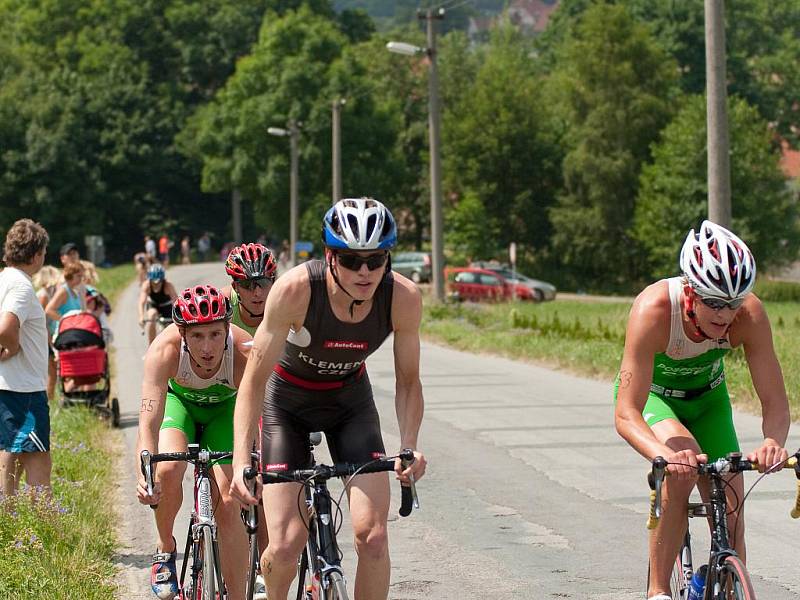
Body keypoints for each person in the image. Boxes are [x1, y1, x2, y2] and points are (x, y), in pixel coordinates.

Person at [230, 197, 427, 600]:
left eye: (376, 259)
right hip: (286, 405)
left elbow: (409, 381)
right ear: (329, 256)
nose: (365, 271)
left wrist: (408, 446)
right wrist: (238, 460)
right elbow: (252, 381)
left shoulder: (402, 297)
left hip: (349, 404)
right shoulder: (296, 290)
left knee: (372, 537)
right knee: (284, 547)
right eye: (351, 259)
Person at [613, 220, 790, 600]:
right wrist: (663, 454)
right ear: (690, 291)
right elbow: (626, 413)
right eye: (714, 302)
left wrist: (773, 441)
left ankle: (729, 587)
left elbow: (774, 400)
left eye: (733, 302)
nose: (725, 314)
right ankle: (658, 592)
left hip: (710, 401)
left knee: (731, 505)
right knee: (682, 467)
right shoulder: (654, 310)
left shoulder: (750, 315)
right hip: (658, 400)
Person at [135, 285, 253, 600]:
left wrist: (254, 464)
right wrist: (145, 474)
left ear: (228, 328)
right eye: (197, 336)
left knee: (229, 502)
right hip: (181, 407)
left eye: (215, 334)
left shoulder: (243, 350)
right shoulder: (164, 350)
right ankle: (165, 548)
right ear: (182, 333)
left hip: (224, 413)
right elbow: (148, 422)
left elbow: (260, 416)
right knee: (168, 468)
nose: (207, 347)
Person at [0, 219, 51, 497]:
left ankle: (6, 522)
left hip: (8, 385)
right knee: (39, 463)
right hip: (25, 390)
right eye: (43, 252)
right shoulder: (21, 286)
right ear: (34, 255)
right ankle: (48, 531)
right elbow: (6, 327)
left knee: (8, 454)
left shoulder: (3, 280)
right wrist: (12, 346)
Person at [222, 243, 277, 336]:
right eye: (247, 285)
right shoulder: (223, 303)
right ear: (235, 287)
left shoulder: (284, 303)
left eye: (264, 283)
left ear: (273, 283)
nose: (257, 293)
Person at [32, 266, 61, 401]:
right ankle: (49, 399)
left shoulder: (48, 293)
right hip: (43, 336)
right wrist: (50, 343)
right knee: (51, 370)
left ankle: (50, 398)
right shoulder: (43, 295)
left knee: (52, 369)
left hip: (45, 334)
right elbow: (41, 322)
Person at [138, 264, 178, 345]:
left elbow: (176, 301)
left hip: (166, 306)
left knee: (171, 328)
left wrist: (178, 316)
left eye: (159, 282)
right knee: (151, 316)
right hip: (153, 304)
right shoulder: (146, 285)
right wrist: (141, 316)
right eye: (154, 282)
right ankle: (151, 347)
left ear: (162, 279)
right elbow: (142, 302)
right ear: (150, 279)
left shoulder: (168, 285)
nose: (156, 284)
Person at [45, 261, 86, 337]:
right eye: (78, 276)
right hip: (64, 333)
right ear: (70, 275)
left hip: (73, 331)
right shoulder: (63, 291)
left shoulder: (74, 291)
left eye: (82, 276)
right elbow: (49, 310)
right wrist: (65, 321)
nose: (81, 279)